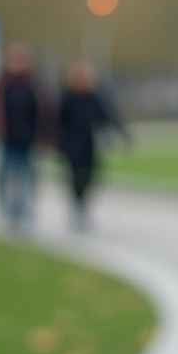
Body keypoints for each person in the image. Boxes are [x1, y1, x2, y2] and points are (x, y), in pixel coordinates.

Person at [57, 59, 131, 233]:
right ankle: (77, 208)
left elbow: (108, 117)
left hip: (89, 144)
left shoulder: (94, 98)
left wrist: (122, 135)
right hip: (72, 144)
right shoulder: (68, 98)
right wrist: (58, 144)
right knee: (75, 178)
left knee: (90, 177)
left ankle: (83, 206)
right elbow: (59, 122)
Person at [0, 42, 48, 233]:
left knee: (27, 178)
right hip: (6, 139)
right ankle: (6, 212)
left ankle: (25, 213)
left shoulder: (33, 85)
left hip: (28, 140)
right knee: (3, 177)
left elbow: (43, 111)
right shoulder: (2, 84)